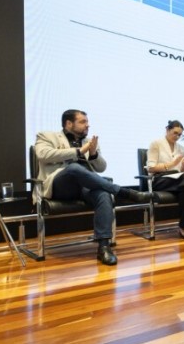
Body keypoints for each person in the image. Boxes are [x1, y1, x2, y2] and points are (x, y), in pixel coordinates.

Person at [34, 109, 152, 265]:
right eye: (83, 122)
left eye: (87, 122)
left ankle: (104, 247)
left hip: (85, 187)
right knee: (74, 168)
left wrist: (94, 154)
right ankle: (124, 192)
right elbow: (43, 155)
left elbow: (101, 168)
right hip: (59, 186)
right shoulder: (46, 136)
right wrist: (78, 151)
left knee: (103, 194)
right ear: (69, 123)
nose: (87, 125)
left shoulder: (89, 141)